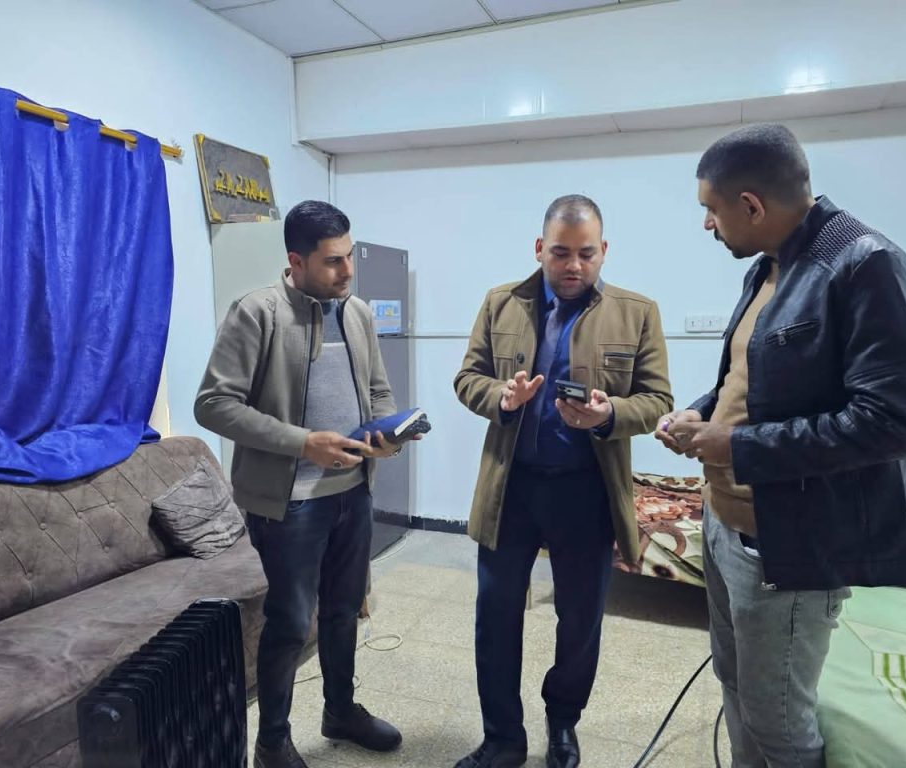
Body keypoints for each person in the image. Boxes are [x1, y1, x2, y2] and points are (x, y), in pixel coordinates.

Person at [656, 124, 906, 767]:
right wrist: (700, 413)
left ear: (751, 205)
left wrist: (736, 445)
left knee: (779, 720)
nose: (707, 223)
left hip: (789, 541)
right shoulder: (768, 266)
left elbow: (901, 421)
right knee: (736, 688)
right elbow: (749, 380)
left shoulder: (867, 265)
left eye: (711, 208)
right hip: (725, 524)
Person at [453, 194, 673, 768]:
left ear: (604, 251)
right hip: (511, 488)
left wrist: (608, 414)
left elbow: (657, 400)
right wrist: (501, 398)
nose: (573, 265)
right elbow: (468, 377)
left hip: (586, 491)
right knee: (496, 615)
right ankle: (503, 738)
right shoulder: (501, 303)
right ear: (539, 249)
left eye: (586, 253)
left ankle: (563, 721)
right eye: (560, 253)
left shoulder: (637, 312)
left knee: (579, 620)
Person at [195, 200, 412, 768]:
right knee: (291, 622)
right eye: (333, 261)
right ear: (296, 260)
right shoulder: (257, 313)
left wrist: (385, 435)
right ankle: (271, 742)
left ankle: (340, 711)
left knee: (344, 610)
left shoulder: (356, 313)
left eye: (349, 256)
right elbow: (214, 404)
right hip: (290, 505)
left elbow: (379, 390)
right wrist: (302, 442)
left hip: (353, 495)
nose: (347, 271)